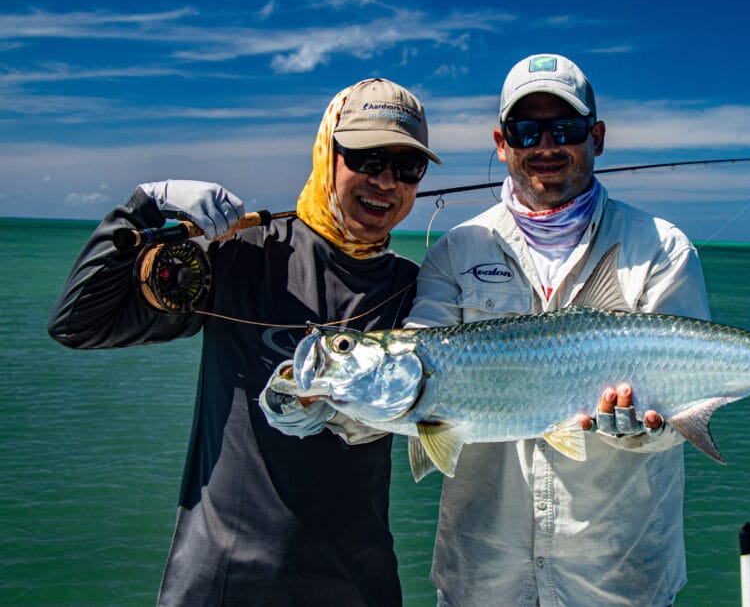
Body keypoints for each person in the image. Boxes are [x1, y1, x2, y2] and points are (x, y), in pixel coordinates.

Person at [48, 78, 440, 606]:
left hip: (358, 585)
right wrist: (147, 204)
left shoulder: (414, 292)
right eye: (367, 158)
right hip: (220, 583)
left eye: (407, 167)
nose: (386, 181)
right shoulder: (242, 257)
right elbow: (79, 323)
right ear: (328, 153)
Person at [405, 54, 711, 606]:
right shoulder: (454, 253)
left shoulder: (663, 249)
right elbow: (417, 382)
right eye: (526, 130)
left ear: (596, 136)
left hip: (617, 578)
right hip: (484, 575)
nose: (545, 146)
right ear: (502, 142)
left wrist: (644, 428)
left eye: (565, 128)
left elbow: (682, 411)